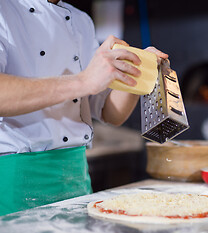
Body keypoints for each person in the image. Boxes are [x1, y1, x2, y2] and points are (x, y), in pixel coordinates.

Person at [0, 0, 168, 216]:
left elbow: (110, 113)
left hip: (75, 176)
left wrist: (137, 71)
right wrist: (83, 81)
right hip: (16, 180)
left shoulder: (81, 21)